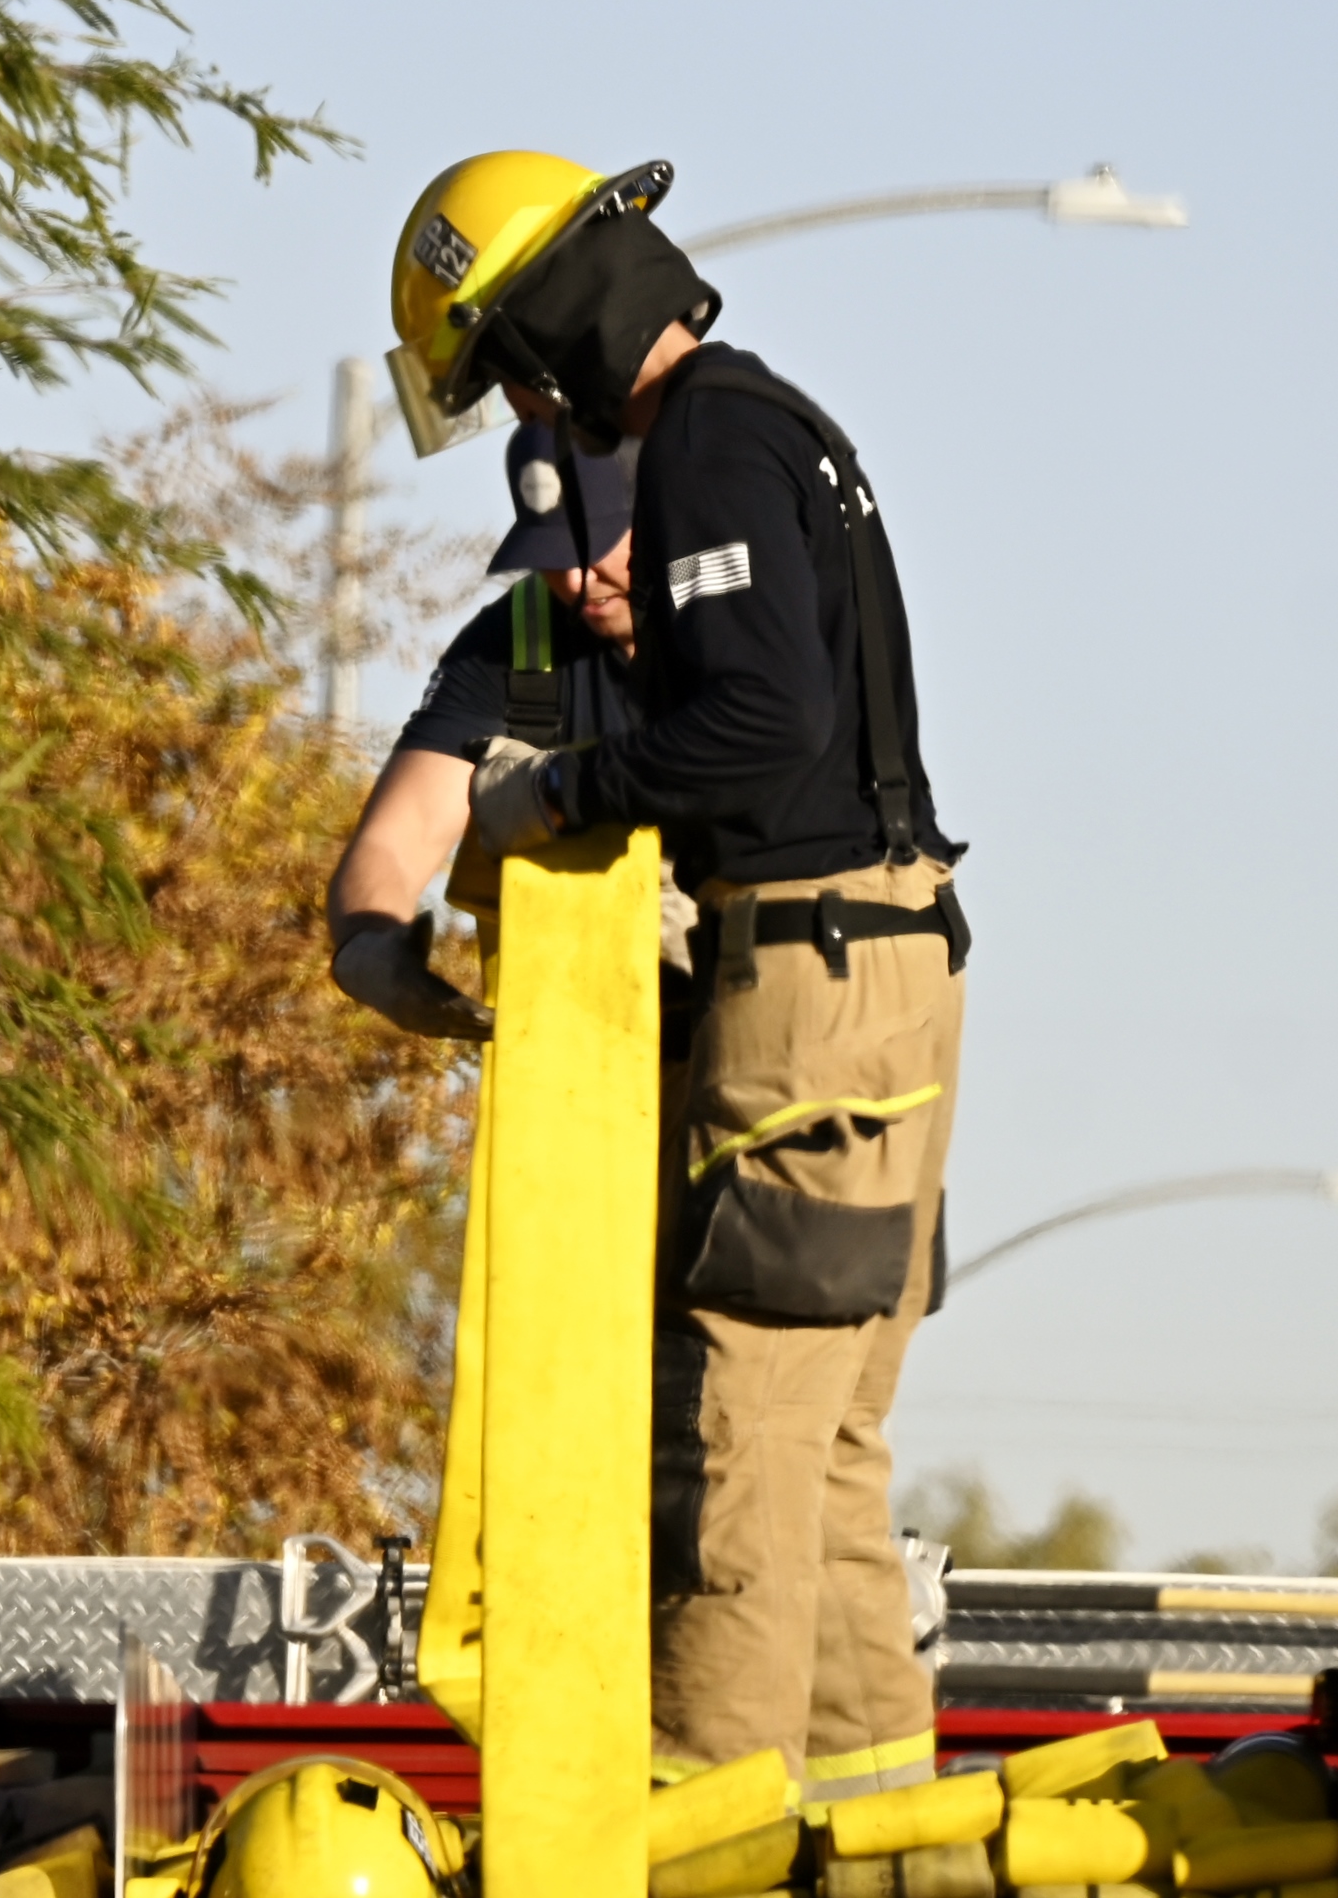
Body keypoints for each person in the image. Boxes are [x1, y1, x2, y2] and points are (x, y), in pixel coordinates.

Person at [378, 147, 969, 1803]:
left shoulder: (709, 438)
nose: (526, 408)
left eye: (510, 369)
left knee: (737, 1433)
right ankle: (890, 1844)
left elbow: (764, 721)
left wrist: (562, 794)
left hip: (813, 975)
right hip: (893, 965)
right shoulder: (775, 424)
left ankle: (702, 1812)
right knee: (828, 1460)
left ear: (553, 320)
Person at [323, 417, 643, 1040]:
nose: (574, 580)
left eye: (597, 542)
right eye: (552, 554)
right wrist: (369, 945)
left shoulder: (758, 623)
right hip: (574, 1042)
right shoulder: (511, 644)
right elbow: (397, 841)